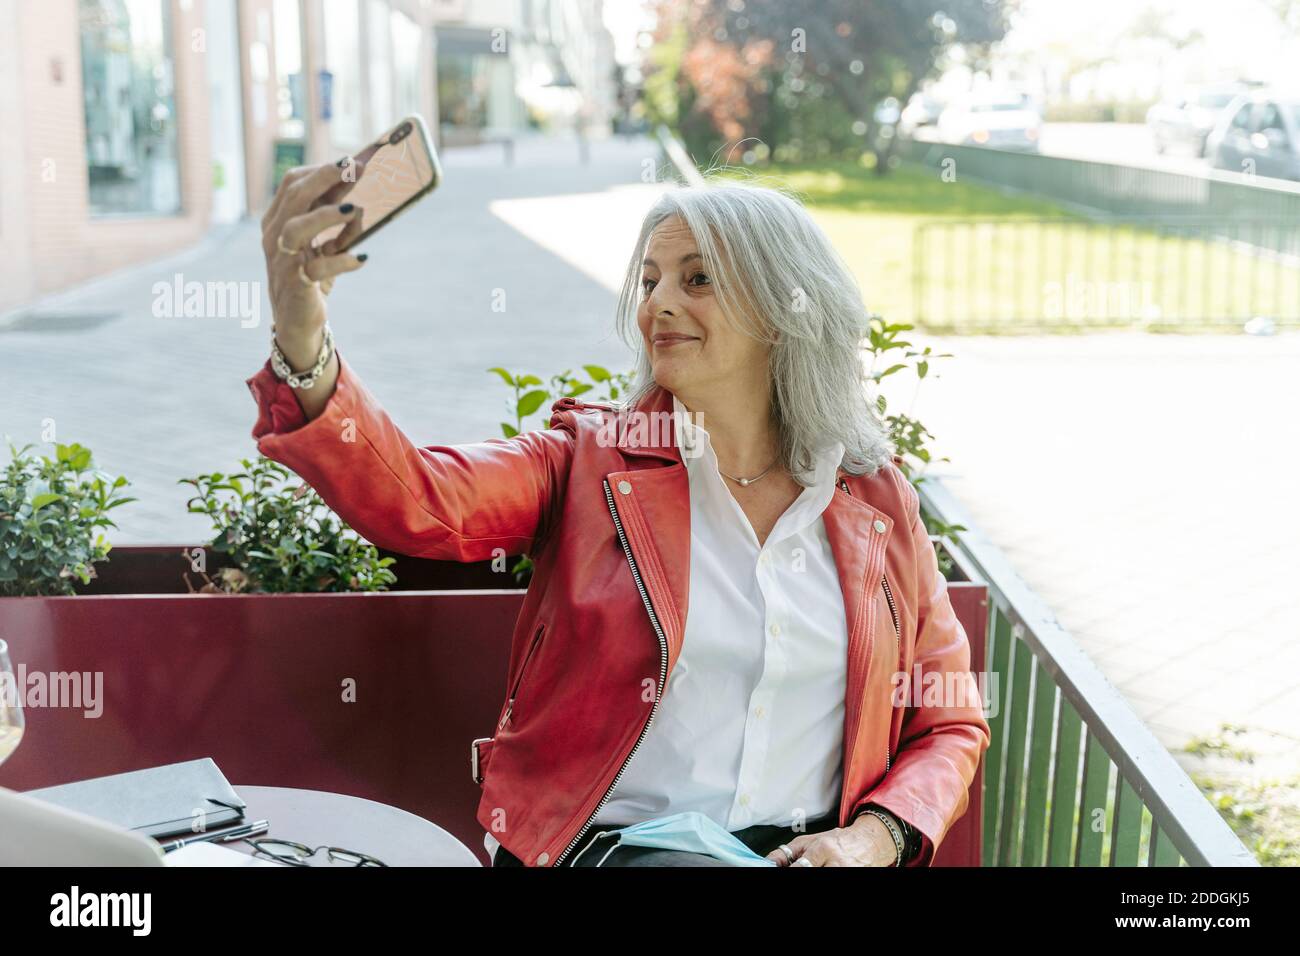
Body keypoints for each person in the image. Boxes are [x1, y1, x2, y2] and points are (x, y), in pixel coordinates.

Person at [247, 159, 990, 867]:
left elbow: (948, 716)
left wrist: (877, 836)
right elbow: (422, 500)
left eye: (698, 279)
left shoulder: (875, 499)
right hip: (611, 846)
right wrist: (302, 336)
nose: (658, 304)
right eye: (650, 280)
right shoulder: (590, 461)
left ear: (784, 308)